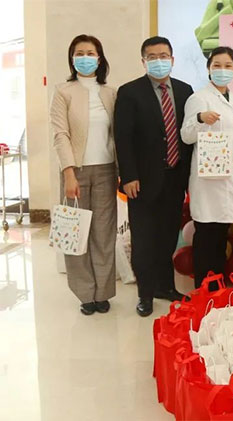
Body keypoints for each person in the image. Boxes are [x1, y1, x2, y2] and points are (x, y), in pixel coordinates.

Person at [114, 36, 194, 316]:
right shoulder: (129, 92)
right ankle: (145, 295)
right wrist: (128, 176)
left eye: (163, 56)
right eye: (152, 57)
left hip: (175, 178)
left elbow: (187, 136)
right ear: (143, 61)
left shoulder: (185, 91)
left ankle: (165, 286)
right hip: (142, 181)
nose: (158, 61)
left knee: (168, 237)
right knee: (144, 241)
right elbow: (123, 138)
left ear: (172, 60)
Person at [49, 34, 117, 315]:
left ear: (99, 59)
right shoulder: (63, 91)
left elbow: (118, 134)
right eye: (79, 53)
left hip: (106, 170)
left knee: (104, 234)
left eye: (90, 53)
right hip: (75, 171)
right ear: (72, 58)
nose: (85, 57)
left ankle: (102, 293)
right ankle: (85, 294)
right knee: (75, 232)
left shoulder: (111, 93)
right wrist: (68, 172)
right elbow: (60, 134)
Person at [181, 46, 233, 287]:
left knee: (220, 238)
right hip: (208, 182)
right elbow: (186, 135)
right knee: (206, 237)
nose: (222, 70)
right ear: (208, 69)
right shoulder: (199, 98)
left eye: (227, 66)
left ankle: (217, 289)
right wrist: (200, 118)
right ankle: (204, 289)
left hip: (230, 178)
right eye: (217, 65)